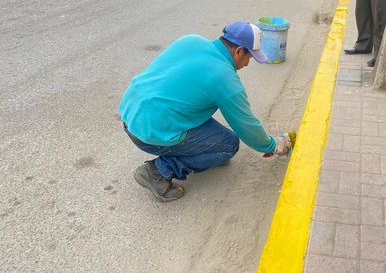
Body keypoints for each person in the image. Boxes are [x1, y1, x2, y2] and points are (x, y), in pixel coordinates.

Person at [119, 22, 293, 202]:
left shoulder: (191, 40)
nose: (247, 64)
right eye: (249, 57)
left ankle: (201, 154)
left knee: (211, 131)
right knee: (229, 145)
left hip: (130, 112)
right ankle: (159, 171)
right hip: (147, 133)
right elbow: (246, 125)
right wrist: (272, 145)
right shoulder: (225, 78)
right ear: (239, 51)